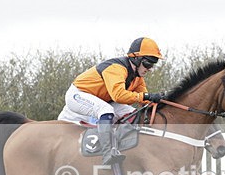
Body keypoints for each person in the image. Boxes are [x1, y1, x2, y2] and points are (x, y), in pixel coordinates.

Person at [58, 37, 165, 165]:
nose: (150, 68)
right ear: (136, 58)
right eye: (148, 64)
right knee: (106, 110)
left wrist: (161, 101)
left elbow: (144, 101)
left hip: (102, 99)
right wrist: (147, 96)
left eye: (153, 64)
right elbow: (119, 96)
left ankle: (125, 147)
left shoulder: (137, 78)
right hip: (78, 95)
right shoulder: (116, 68)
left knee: (133, 113)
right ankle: (107, 153)